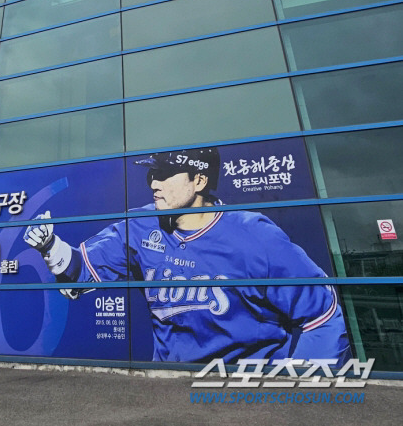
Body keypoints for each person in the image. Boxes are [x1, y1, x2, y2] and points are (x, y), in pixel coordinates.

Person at [24, 147, 349, 364]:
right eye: (153, 174)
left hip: (244, 393)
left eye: (166, 175)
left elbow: (321, 314)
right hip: (169, 391)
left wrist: (305, 398)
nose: (155, 183)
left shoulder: (254, 235)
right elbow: (81, 275)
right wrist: (51, 248)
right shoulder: (139, 225)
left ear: (200, 181)